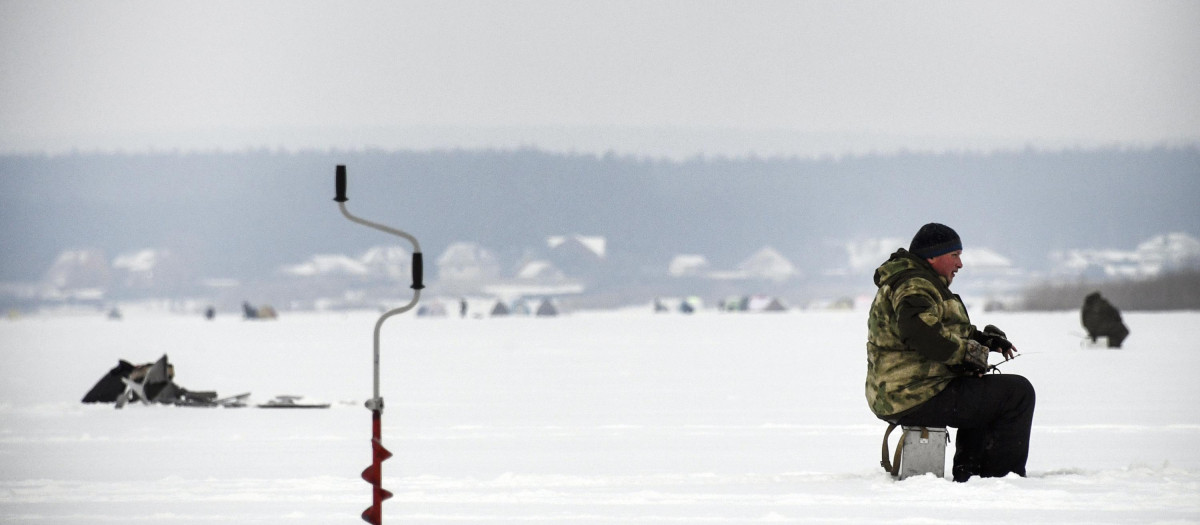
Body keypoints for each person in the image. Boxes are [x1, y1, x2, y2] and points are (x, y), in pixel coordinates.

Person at [865, 223, 1036, 482]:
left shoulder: (920, 282)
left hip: (906, 389)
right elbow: (920, 331)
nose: (960, 264)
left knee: (986, 391)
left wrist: (982, 340)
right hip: (912, 393)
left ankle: (971, 472)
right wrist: (968, 355)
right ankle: (998, 478)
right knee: (1017, 393)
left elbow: (942, 328)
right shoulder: (915, 284)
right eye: (955, 255)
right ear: (933, 256)